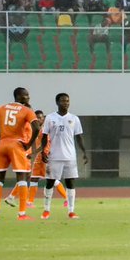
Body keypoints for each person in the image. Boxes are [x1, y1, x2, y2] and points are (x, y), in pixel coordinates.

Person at [0, 86, 40, 221]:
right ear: (19, 96)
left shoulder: (1, 108)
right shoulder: (27, 110)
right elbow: (37, 127)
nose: (28, 97)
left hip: (2, 145)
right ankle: (22, 214)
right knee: (22, 177)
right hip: (17, 145)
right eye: (26, 95)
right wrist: (28, 144)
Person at [40, 92, 89, 220]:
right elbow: (44, 136)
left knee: (70, 183)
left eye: (67, 101)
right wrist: (43, 152)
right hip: (54, 156)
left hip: (70, 157)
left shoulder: (74, 118)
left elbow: (79, 137)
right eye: (62, 101)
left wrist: (84, 152)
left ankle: (71, 211)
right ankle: (46, 210)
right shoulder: (50, 118)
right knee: (50, 182)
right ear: (57, 102)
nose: (65, 103)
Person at [26, 110, 67, 210]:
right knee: (34, 178)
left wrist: (33, 153)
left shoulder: (45, 129)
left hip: (46, 155)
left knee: (52, 179)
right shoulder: (36, 128)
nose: (39, 119)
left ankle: (67, 198)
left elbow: (45, 144)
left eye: (41, 117)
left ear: (43, 118)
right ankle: (30, 202)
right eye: (37, 118)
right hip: (40, 156)